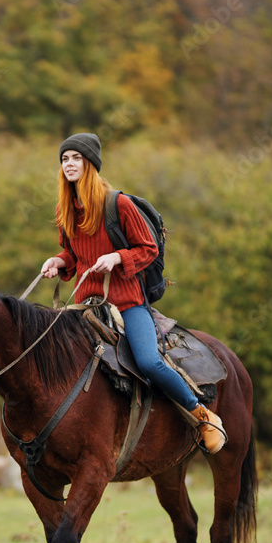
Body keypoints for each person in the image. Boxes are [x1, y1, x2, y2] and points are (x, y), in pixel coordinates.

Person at [40, 133, 227, 454]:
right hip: (86, 304)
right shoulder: (65, 210)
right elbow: (73, 253)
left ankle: (203, 416)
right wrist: (57, 261)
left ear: (91, 163)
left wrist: (117, 257)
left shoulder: (118, 204)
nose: (69, 164)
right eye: (64, 159)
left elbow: (148, 249)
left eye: (76, 158)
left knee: (149, 362)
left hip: (127, 303)